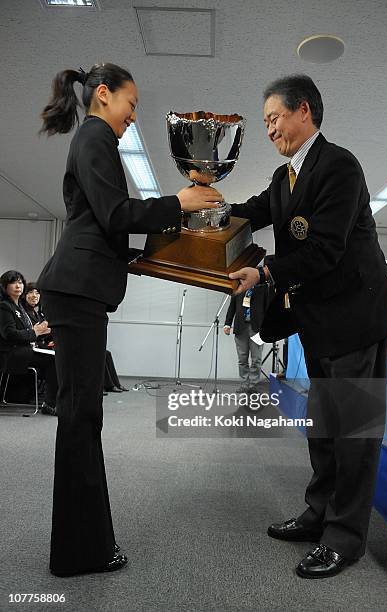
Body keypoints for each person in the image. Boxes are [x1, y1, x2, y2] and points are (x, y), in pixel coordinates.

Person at [37, 62, 223, 577]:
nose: (133, 115)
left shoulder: (95, 140)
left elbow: (105, 226)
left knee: (82, 418)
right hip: (75, 290)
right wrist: (179, 203)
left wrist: (148, 256)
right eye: (131, 103)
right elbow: (117, 215)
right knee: (80, 420)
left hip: (79, 288)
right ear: (103, 95)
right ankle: (79, 553)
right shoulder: (95, 136)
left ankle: (83, 546)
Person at [228, 75, 387, 579]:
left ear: (304, 111)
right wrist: (206, 207)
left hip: (359, 319)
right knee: (322, 427)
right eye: (265, 124)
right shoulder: (286, 179)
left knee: (355, 432)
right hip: (321, 320)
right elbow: (252, 212)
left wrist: (264, 271)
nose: (269, 130)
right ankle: (319, 513)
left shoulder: (339, 166)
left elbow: (324, 250)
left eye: (273, 119)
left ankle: (345, 537)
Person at [0, 271, 57, 414]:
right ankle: (50, 403)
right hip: (10, 353)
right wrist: (35, 332)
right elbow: (10, 334)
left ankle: (51, 399)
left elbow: (28, 332)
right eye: (13, 282)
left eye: (20, 282)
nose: (18, 285)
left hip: (22, 350)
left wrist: (41, 332)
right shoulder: (4, 306)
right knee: (53, 360)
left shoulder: (19, 307)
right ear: (4, 286)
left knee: (55, 355)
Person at [223, 285, 269, 394]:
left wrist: (268, 327)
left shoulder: (263, 287)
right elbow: (232, 306)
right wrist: (227, 324)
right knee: (242, 359)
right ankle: (244, 384)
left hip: (257, 328)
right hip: (240, 327)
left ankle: (253, 385)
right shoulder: (238, 287)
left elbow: (267, 307)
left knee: (256, 359)